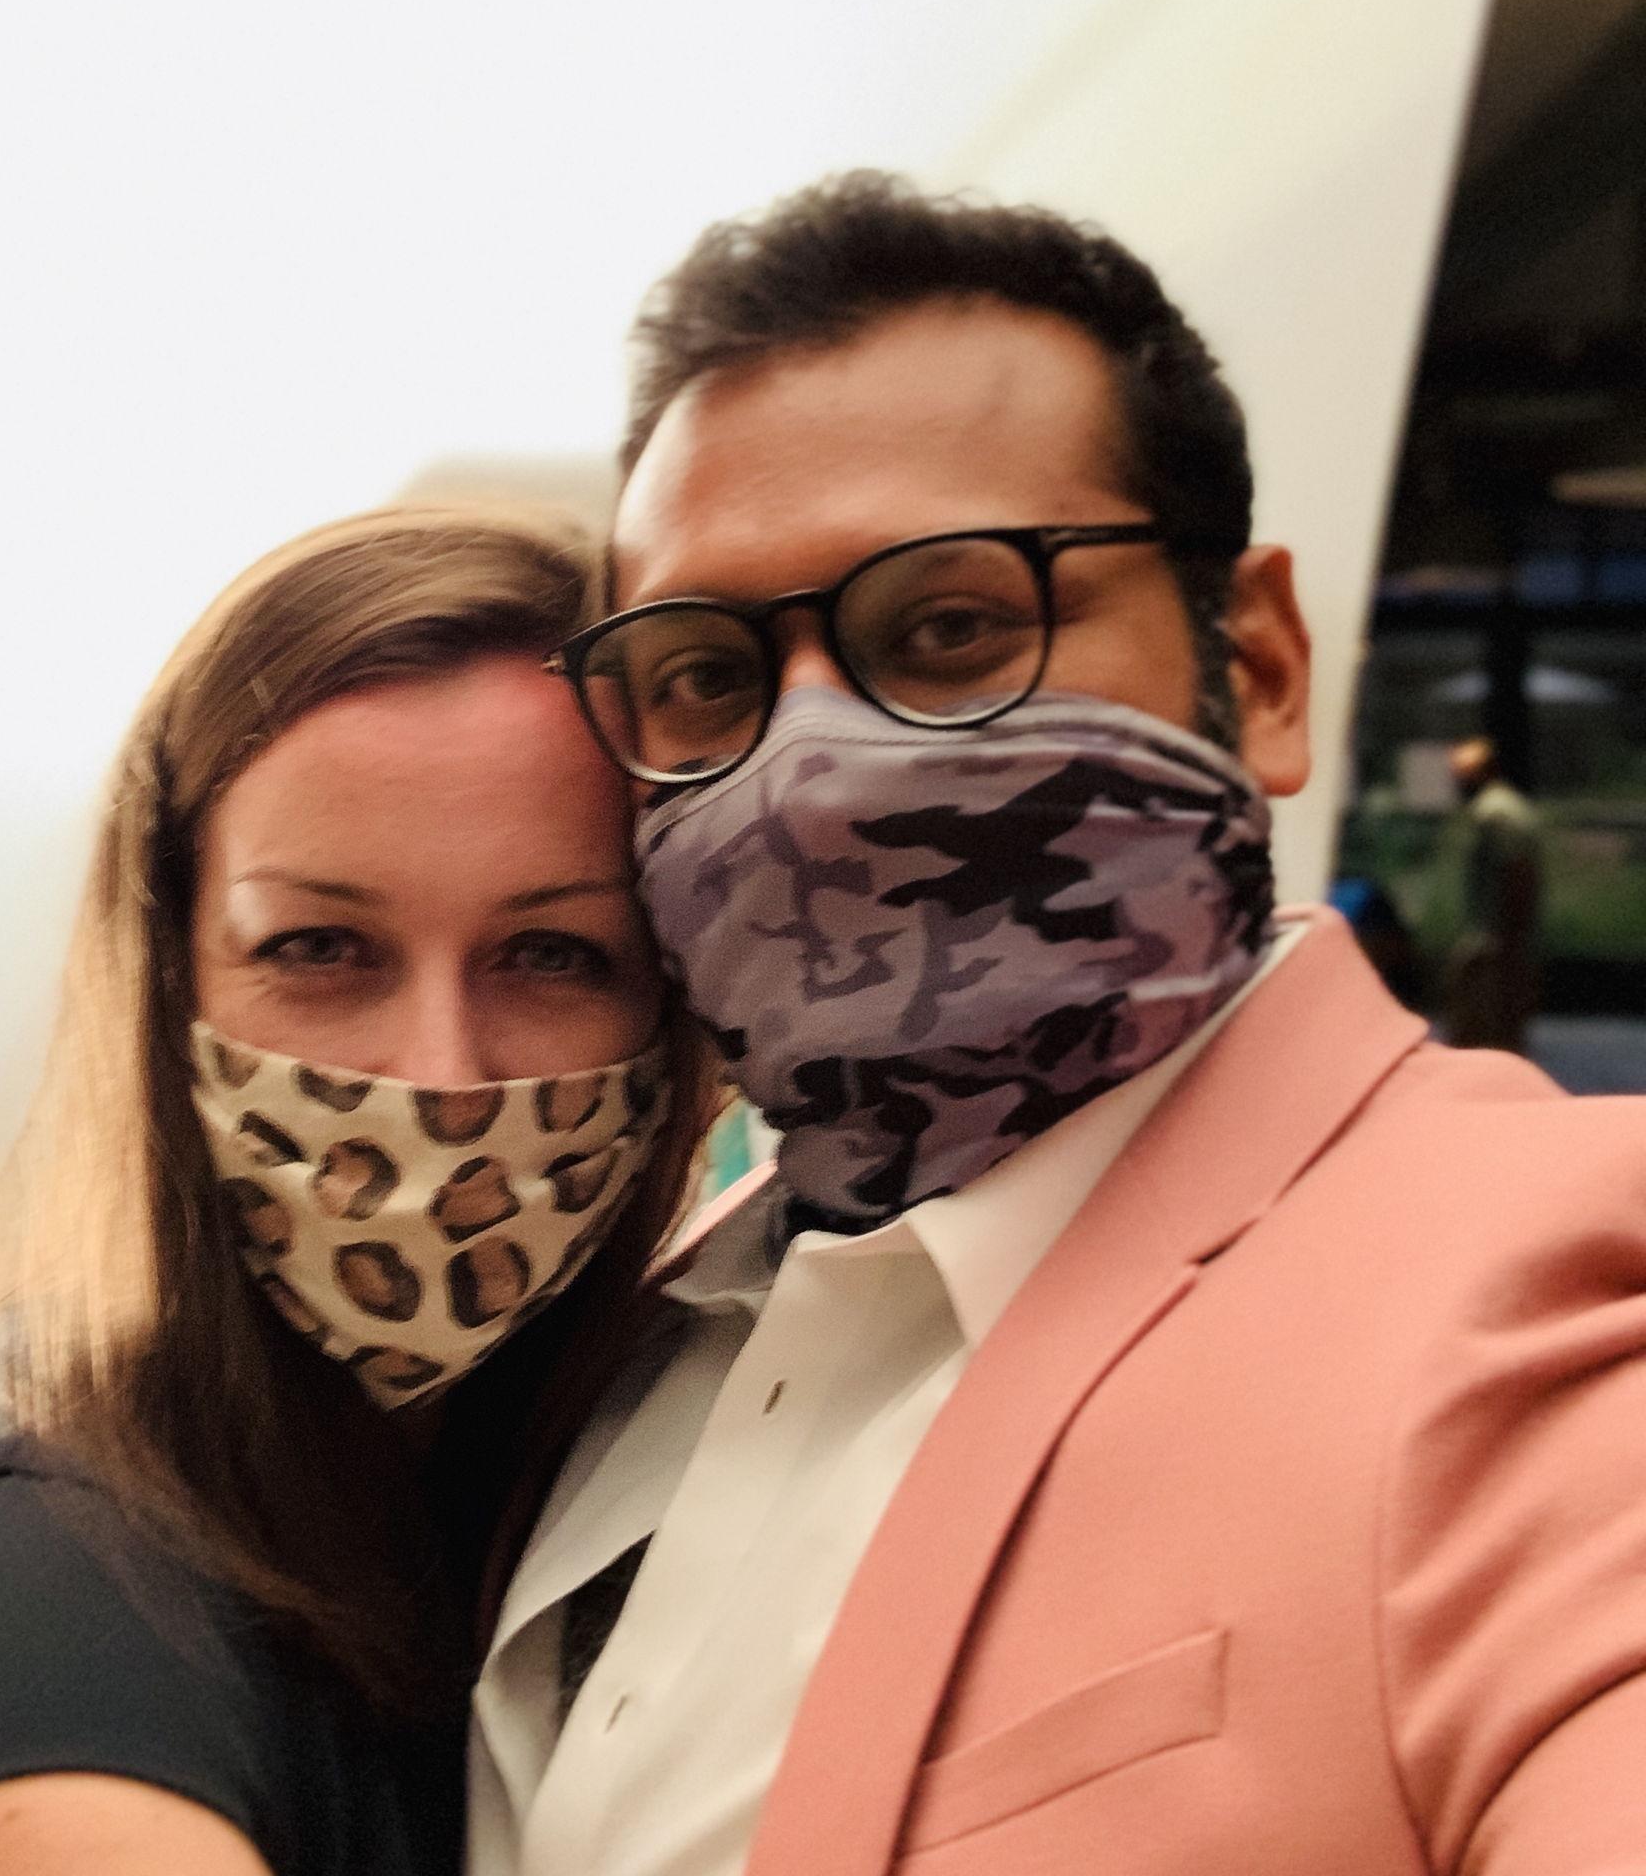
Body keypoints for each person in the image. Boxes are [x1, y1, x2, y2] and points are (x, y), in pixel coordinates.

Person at [471, 174, 1646, 1876]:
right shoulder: (656, 1312)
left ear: (1257, 668)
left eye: (949, 627)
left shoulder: (1547, 1284)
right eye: (711, 675)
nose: (808, 768)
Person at [0, 507, 717, 1876]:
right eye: (320, 946)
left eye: (551, 953)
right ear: (170, 975)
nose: (437, 1073)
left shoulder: (607, 1459)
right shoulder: (9, 1582)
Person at [1441, 734, 1542, 1051]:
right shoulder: (1505, 807)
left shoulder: (1494, 812)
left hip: (1491, 940)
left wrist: (1507, 938)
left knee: (1482, 1028)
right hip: (1498, 937)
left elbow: (1517, 871)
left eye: (1464, 774)